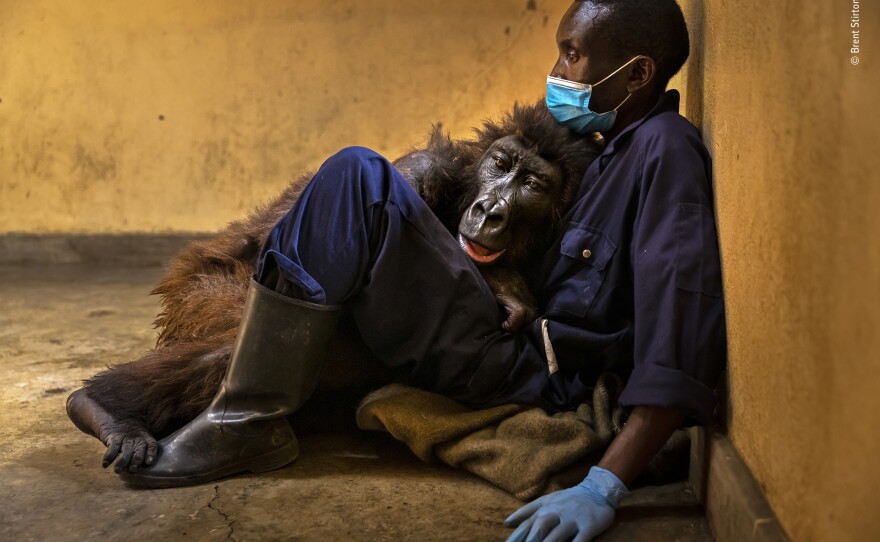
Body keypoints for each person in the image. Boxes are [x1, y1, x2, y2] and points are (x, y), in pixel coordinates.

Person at [121, 1, 725, 540]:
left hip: (527, 368)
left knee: (360, 178)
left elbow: (679, 323)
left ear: (640, 73)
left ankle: (245, 419)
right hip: (494, 328)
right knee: (369, 185)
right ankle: (241, 401)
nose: (558, 74)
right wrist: (499, 279)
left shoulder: (663, 150)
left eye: (573, 55)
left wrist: (604, 485)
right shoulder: (594, 145)